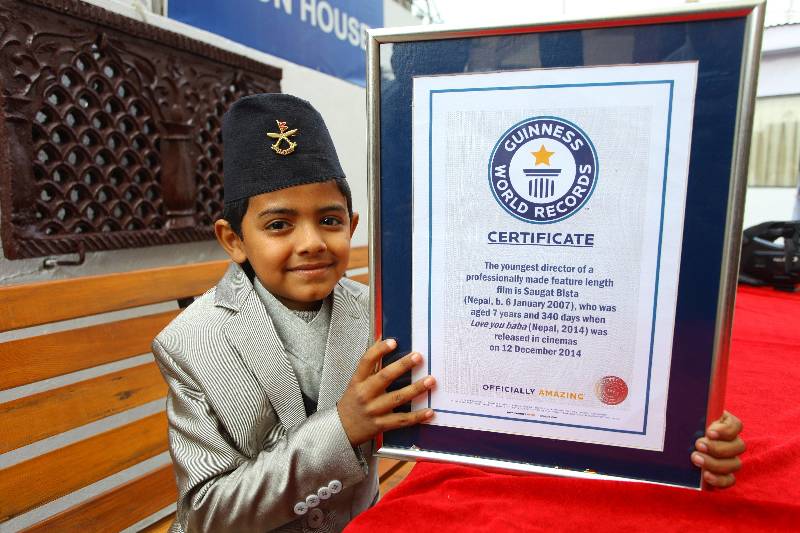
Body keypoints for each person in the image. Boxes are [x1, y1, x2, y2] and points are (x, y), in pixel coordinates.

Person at [153, 93, 744, 533]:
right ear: (233, 240)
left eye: (329, 220)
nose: (311, 242)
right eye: (279, 224)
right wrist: (344, 429)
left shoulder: (384, 311)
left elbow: (515, 384)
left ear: (352, 227)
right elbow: (204, 513)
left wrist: (681, 439)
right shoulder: (193, 342)